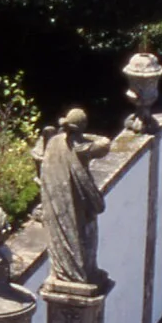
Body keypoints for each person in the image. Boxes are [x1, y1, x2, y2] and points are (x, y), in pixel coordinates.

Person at [37, 108, 109, 285]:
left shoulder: (54, 142)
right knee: (86, 239)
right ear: (83, 126)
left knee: (70, 237)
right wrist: (83, 135)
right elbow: (105, 143)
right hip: (81, 205)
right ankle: (85, 271)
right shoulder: (82, 148)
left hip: (62, 203)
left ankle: (71, 270)